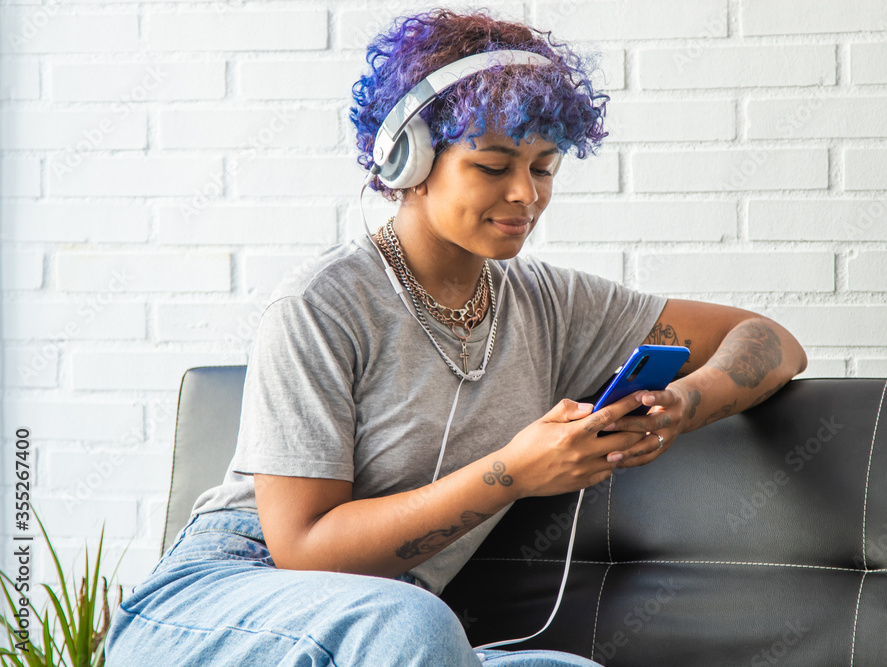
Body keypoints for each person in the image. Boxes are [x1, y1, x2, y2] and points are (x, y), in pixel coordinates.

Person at [105, 8, 807, 666]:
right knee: (412, 621)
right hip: (226, 597)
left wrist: (683, 404)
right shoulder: (321, 304)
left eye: (543, 167)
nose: (526, 194)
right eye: (493, 166)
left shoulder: (552, 305)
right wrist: (512, 472)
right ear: (408, 162)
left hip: (393, 625)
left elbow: (769, 341)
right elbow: (304, 549)